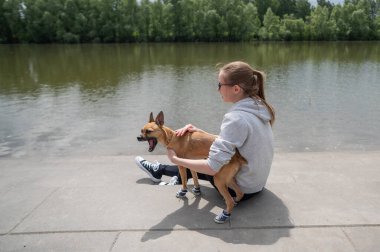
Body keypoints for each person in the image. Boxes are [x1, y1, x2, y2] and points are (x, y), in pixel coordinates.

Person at [135, 61, 275, 223]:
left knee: (191, 162)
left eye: (220, 84)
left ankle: (160, 170)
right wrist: (199, 132)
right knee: (195, 158)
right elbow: (231, 139)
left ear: (236, 89)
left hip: (244, 186)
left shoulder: (235, 118)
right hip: (257, 183)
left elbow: (212, 166)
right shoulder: (258, 107)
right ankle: (162, 171)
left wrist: (175, 159)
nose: (217, 89)